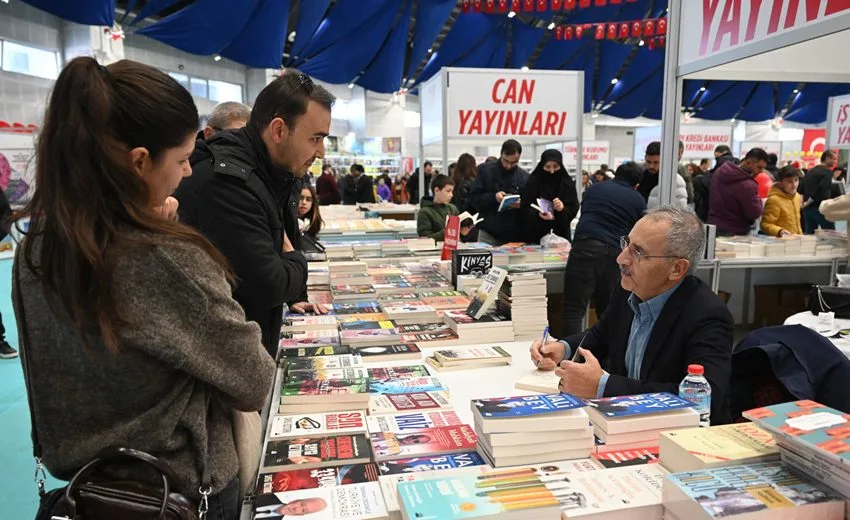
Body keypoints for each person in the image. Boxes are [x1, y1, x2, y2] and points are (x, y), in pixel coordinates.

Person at [14, 57, 275, 520]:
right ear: (139, 162)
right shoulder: (166, 259)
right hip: (182, 496)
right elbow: (255, 380)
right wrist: (165, 243)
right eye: (181, 160)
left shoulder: (35, 253)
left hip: (85, 493)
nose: (189, 172)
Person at [174, 69, 333, 355]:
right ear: (278, 130)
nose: (321, 152)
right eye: (315, 139)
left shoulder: (273, 173)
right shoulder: (227, 183)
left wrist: (293, 292)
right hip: (221, 368)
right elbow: (267, 285)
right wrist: (296, 262)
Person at [532, 206, 733, 425]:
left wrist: (603, 387)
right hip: (623, 424)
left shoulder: (707, 315)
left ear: (676, 269)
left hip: (677, 438)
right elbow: (601, 335)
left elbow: (705, 398)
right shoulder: (629, 290)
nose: (621, 259)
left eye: (638, 252)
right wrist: (563, 349)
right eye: (626, 244)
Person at [560, 162, 646, 337]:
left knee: (574, 309)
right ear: (637, 184)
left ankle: (569, 357)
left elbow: (584, 212)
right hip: (614, 254)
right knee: (607, 310)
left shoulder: (594, 189)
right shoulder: (637, 199)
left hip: (584, 247)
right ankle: (605, 360)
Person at [470, 139, 530, 245]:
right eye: (505, 161)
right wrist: (494, 197)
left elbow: (530, 204)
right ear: (501, 154)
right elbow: (474, 198)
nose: (508, 166)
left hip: (514, 235)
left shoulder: (524, 177)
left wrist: (522, 204)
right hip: (488, 232)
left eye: (514, 162)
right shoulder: (485, 170)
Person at [520, 149, 579, 243]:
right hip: (535, 233)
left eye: (556, 167)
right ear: (542, 165)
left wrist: (562, 209)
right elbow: (524, 205)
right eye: (548, 167)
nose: (552, 171)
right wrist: (538, 214)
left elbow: (573, 207)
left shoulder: (567, 183)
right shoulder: (533, 182)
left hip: (560, 236)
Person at [707, 148, 768, 236]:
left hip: (714, 227)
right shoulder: (748, 185)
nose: (761, 171)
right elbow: (754, 213)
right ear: (748, 162)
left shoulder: (719, 172)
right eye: (759, 167)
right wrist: (759, 201)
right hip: (736, 231)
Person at [416, 175, 475, 242]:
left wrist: (463, 233)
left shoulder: (452, 208)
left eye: (452, 191)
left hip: (453, 249)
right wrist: (447, 232)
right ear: (437, 190)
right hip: (435, 250)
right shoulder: (425, 212)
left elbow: (459, 237)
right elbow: (424, 239)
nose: (451, 195)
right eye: (448, 191)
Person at [694, 145, 738, 222]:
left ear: (717, 154)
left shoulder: (715, 172)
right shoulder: (739, 168)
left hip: (715, 216)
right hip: (735, 219)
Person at [802, 150, 838, 233]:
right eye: (834, 159)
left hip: (808, 209)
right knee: (831, 236)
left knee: (809, 237)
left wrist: (807, 202)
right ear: (827, 158)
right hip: (821, 208)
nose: (835, 161)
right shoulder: (828, 172)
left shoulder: (810, 171)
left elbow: (802, 188)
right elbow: (823, 190)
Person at [761, 166, 803, 237]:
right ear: (780, 183)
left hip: (797, 240)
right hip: (781, 242)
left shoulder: (797, 197)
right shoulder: (774, 200)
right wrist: (779, 231)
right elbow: (765, 224)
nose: (794, 185)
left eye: (796, 180)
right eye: (789, 182)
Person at [645, 141, 688, 209]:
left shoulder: (675, 181)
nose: (651, 166)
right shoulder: (642, 177)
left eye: (656, 162)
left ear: (664, 160)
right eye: (648, 162)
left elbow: (680, 212)